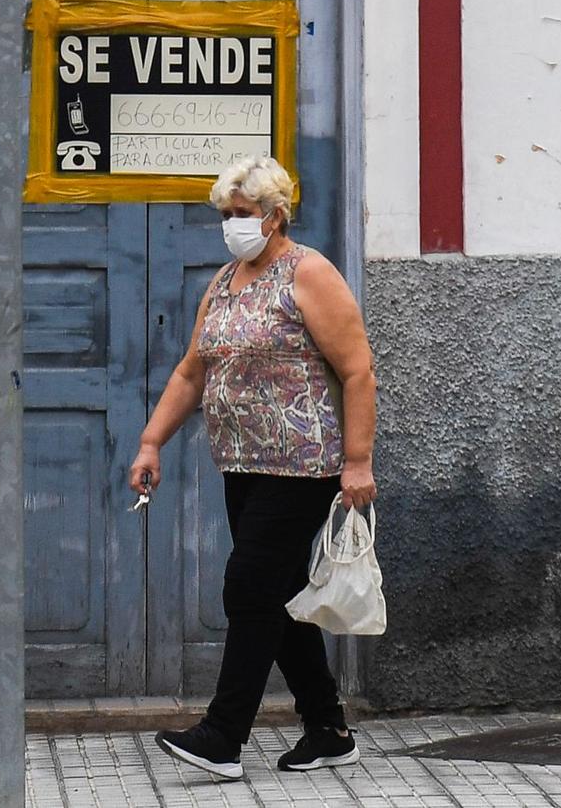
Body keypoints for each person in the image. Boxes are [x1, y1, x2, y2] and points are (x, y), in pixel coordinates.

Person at [129, 155, 378, 781]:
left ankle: (223, 734)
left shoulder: (309, 273)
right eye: (225, 216)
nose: (231, 226)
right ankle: (327, 728)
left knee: (247, 587)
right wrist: (152, 441)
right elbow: (193, 369)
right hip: (242, 465)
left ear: (274, 216)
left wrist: (358, 461)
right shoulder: (225, 281)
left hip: (302, 467)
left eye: (240, 215)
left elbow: (357, 370)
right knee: (280, 595)